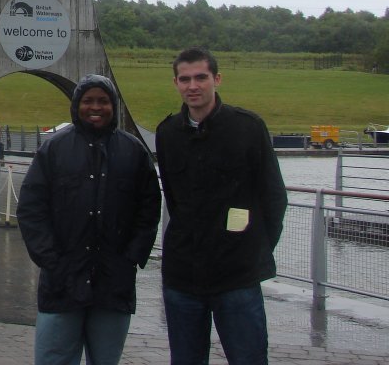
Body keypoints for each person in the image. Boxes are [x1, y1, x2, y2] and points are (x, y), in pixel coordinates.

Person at [155, 47, 288, 365]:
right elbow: (174, 200)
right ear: (175, 83)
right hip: (183, 276)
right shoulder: (167, 133)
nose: (193, 86)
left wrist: (252, 249)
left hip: (237, 277)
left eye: (201, 77)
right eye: (185, 79)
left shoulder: (248, 128)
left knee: (248, 359)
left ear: (217, 79)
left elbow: (273, 198)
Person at [17, 74, 161, 365]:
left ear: (114, 106)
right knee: (54, 358)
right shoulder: (53, 150)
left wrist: (131, 257)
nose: (95, 107)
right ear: (76, 105)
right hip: (62, 283)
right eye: (88, 101)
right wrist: (51, 261)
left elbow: (148, 211)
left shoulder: (133, 151)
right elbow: (31, 210)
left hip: (113, 284)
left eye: (103, 101)